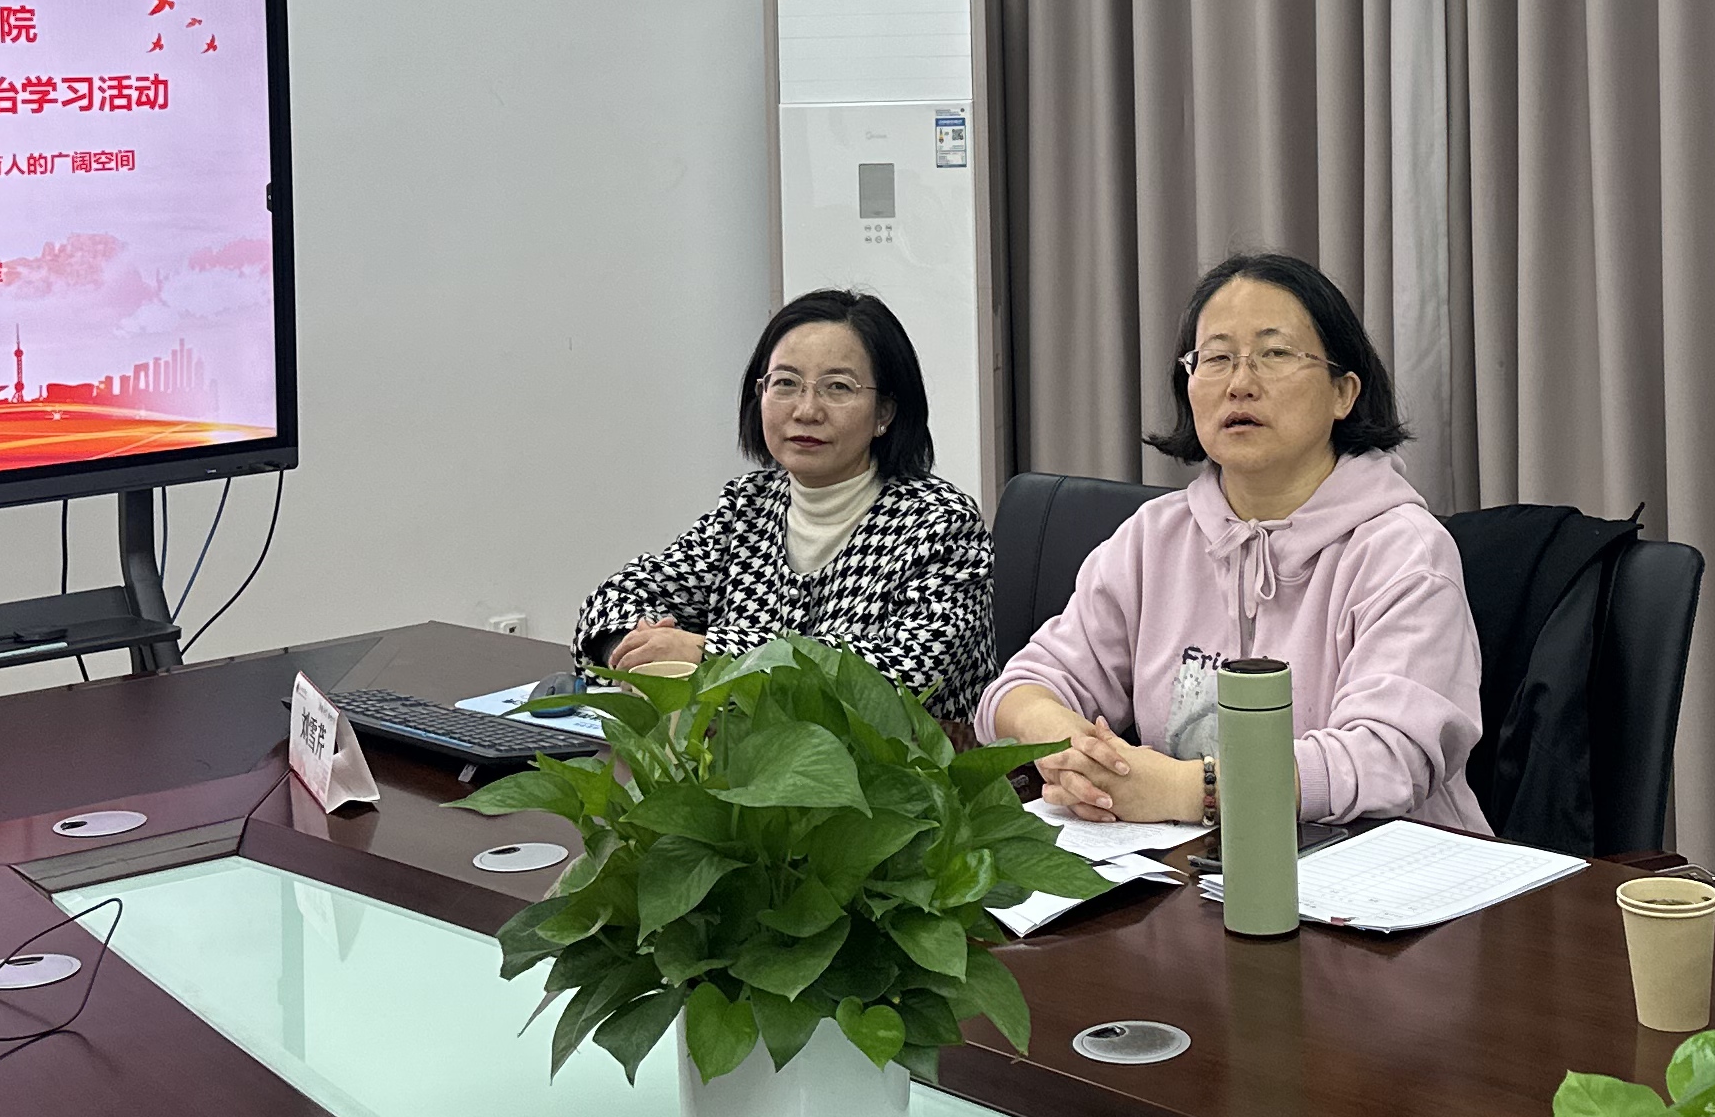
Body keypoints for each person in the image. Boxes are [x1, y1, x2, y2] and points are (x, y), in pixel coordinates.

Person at [981, 251, 1485, 833]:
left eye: (1274, 354)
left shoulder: (1403, 551)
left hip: (1379, 879)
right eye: (1216, 358)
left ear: (1343, 391)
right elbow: (1020, 688)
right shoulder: (1153, 538)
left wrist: (1183, 789)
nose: (1240, 384)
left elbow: (1385, 758)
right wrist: (1072, 750)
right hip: (1191, 871)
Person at [577, 289, 992, 715]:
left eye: (837, 387)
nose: (806, 410)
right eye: (786, 384)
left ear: (884, 411)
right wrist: (638, 649)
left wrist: (708, 652)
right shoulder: (747, 505)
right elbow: (615, 597)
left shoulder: (941, 525)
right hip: (750, 767)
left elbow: (897, 676)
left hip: (900, 773)